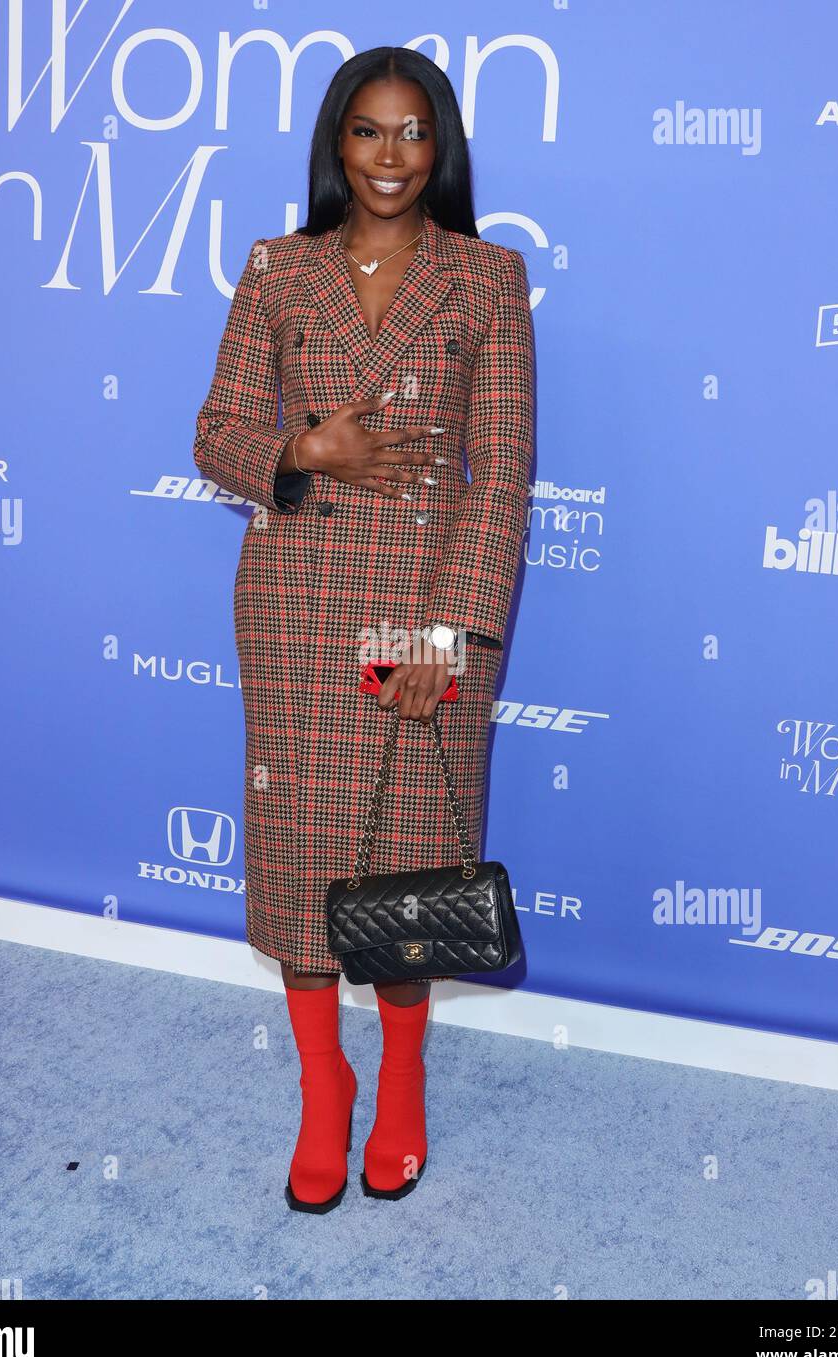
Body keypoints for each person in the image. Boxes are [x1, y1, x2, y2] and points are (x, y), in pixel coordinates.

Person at [193, 46, 535, 1213]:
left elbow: (501, 476)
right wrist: (300, 450)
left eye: (411, 134)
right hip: (292, 597)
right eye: (366, 132)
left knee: (404, 864)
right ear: (334, 144)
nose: (388, 157)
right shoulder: (276, 269)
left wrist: (450, 631)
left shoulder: (487, 277)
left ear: (439, 148)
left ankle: (398, 1082)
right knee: (299, 864)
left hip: (417, 608)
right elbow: (217, 433)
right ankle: (321, 1088)